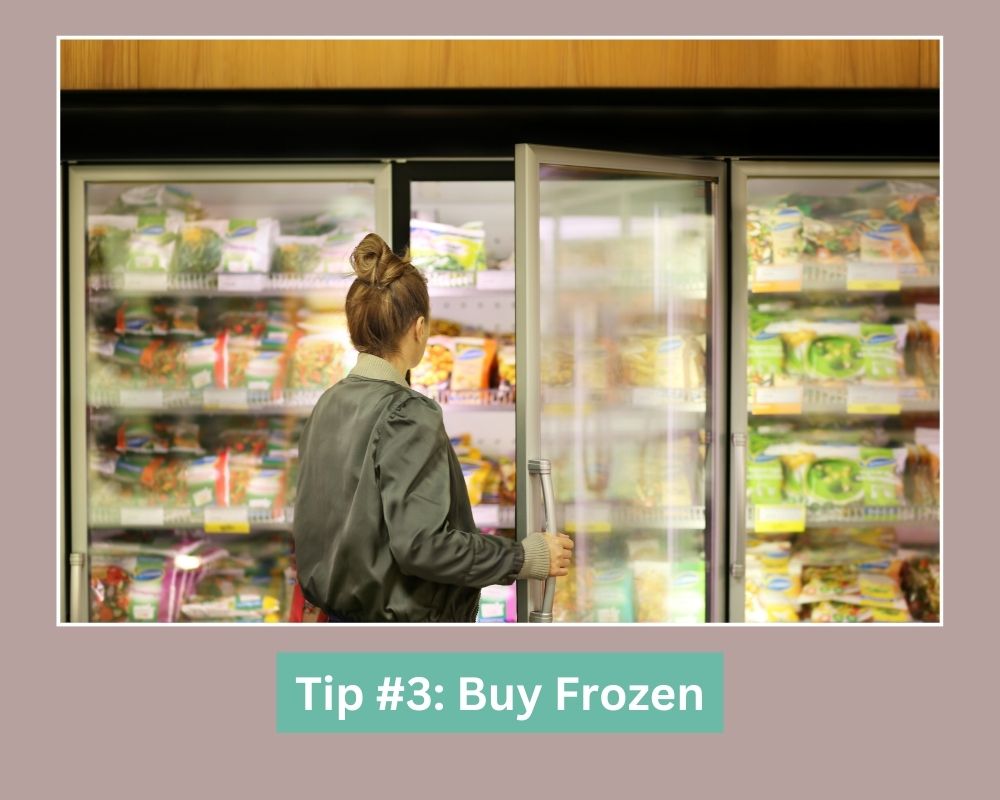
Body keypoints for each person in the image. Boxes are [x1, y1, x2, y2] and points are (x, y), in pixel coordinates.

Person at [293, 233, 573, 622]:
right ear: (419, 328)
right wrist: (524, 557)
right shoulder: (406, 412)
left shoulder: (329, 403)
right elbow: (424, 546)